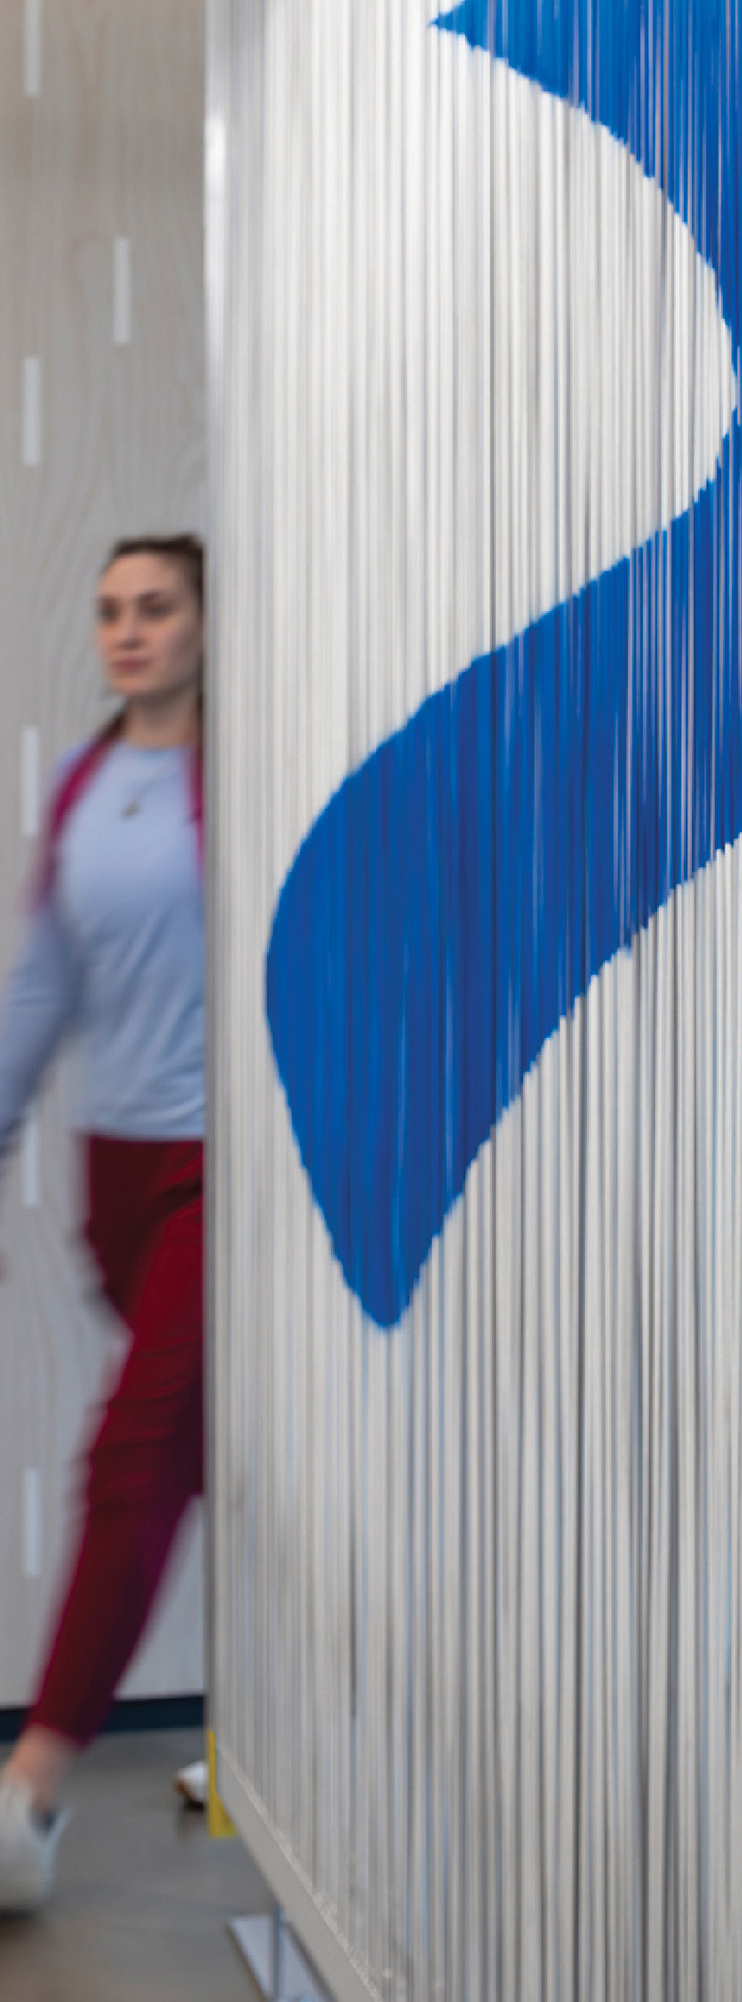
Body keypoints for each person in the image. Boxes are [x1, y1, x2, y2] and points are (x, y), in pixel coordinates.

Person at [0, 536, 207, 1913]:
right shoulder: (84, 783)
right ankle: (276, 1748)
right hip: (115, 1177)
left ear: (206, 623)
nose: (127, 633)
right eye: (110, 613)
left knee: (133, 1455)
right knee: (206, 1457)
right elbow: (46, 979)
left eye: (157, 608)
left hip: (223, 1163)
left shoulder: (236, 775)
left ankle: (32, 1786)